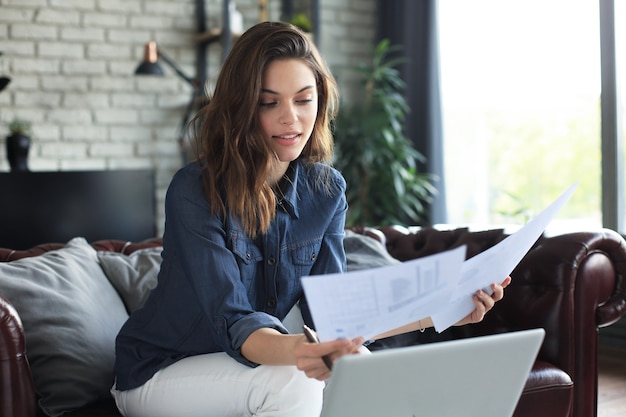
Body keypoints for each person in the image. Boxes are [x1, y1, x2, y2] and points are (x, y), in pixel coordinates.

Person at [111, 21, 510, 417]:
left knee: (363, 370)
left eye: (304, 100)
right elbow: (235, 321)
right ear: (241, 108)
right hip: (163, 370)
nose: (292, 119)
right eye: (269, 102)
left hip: (255, 360)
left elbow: (336, 317)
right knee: (293, 379)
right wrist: (306, 352)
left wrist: (447, 309)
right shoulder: (194, 190)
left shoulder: (326, 190)